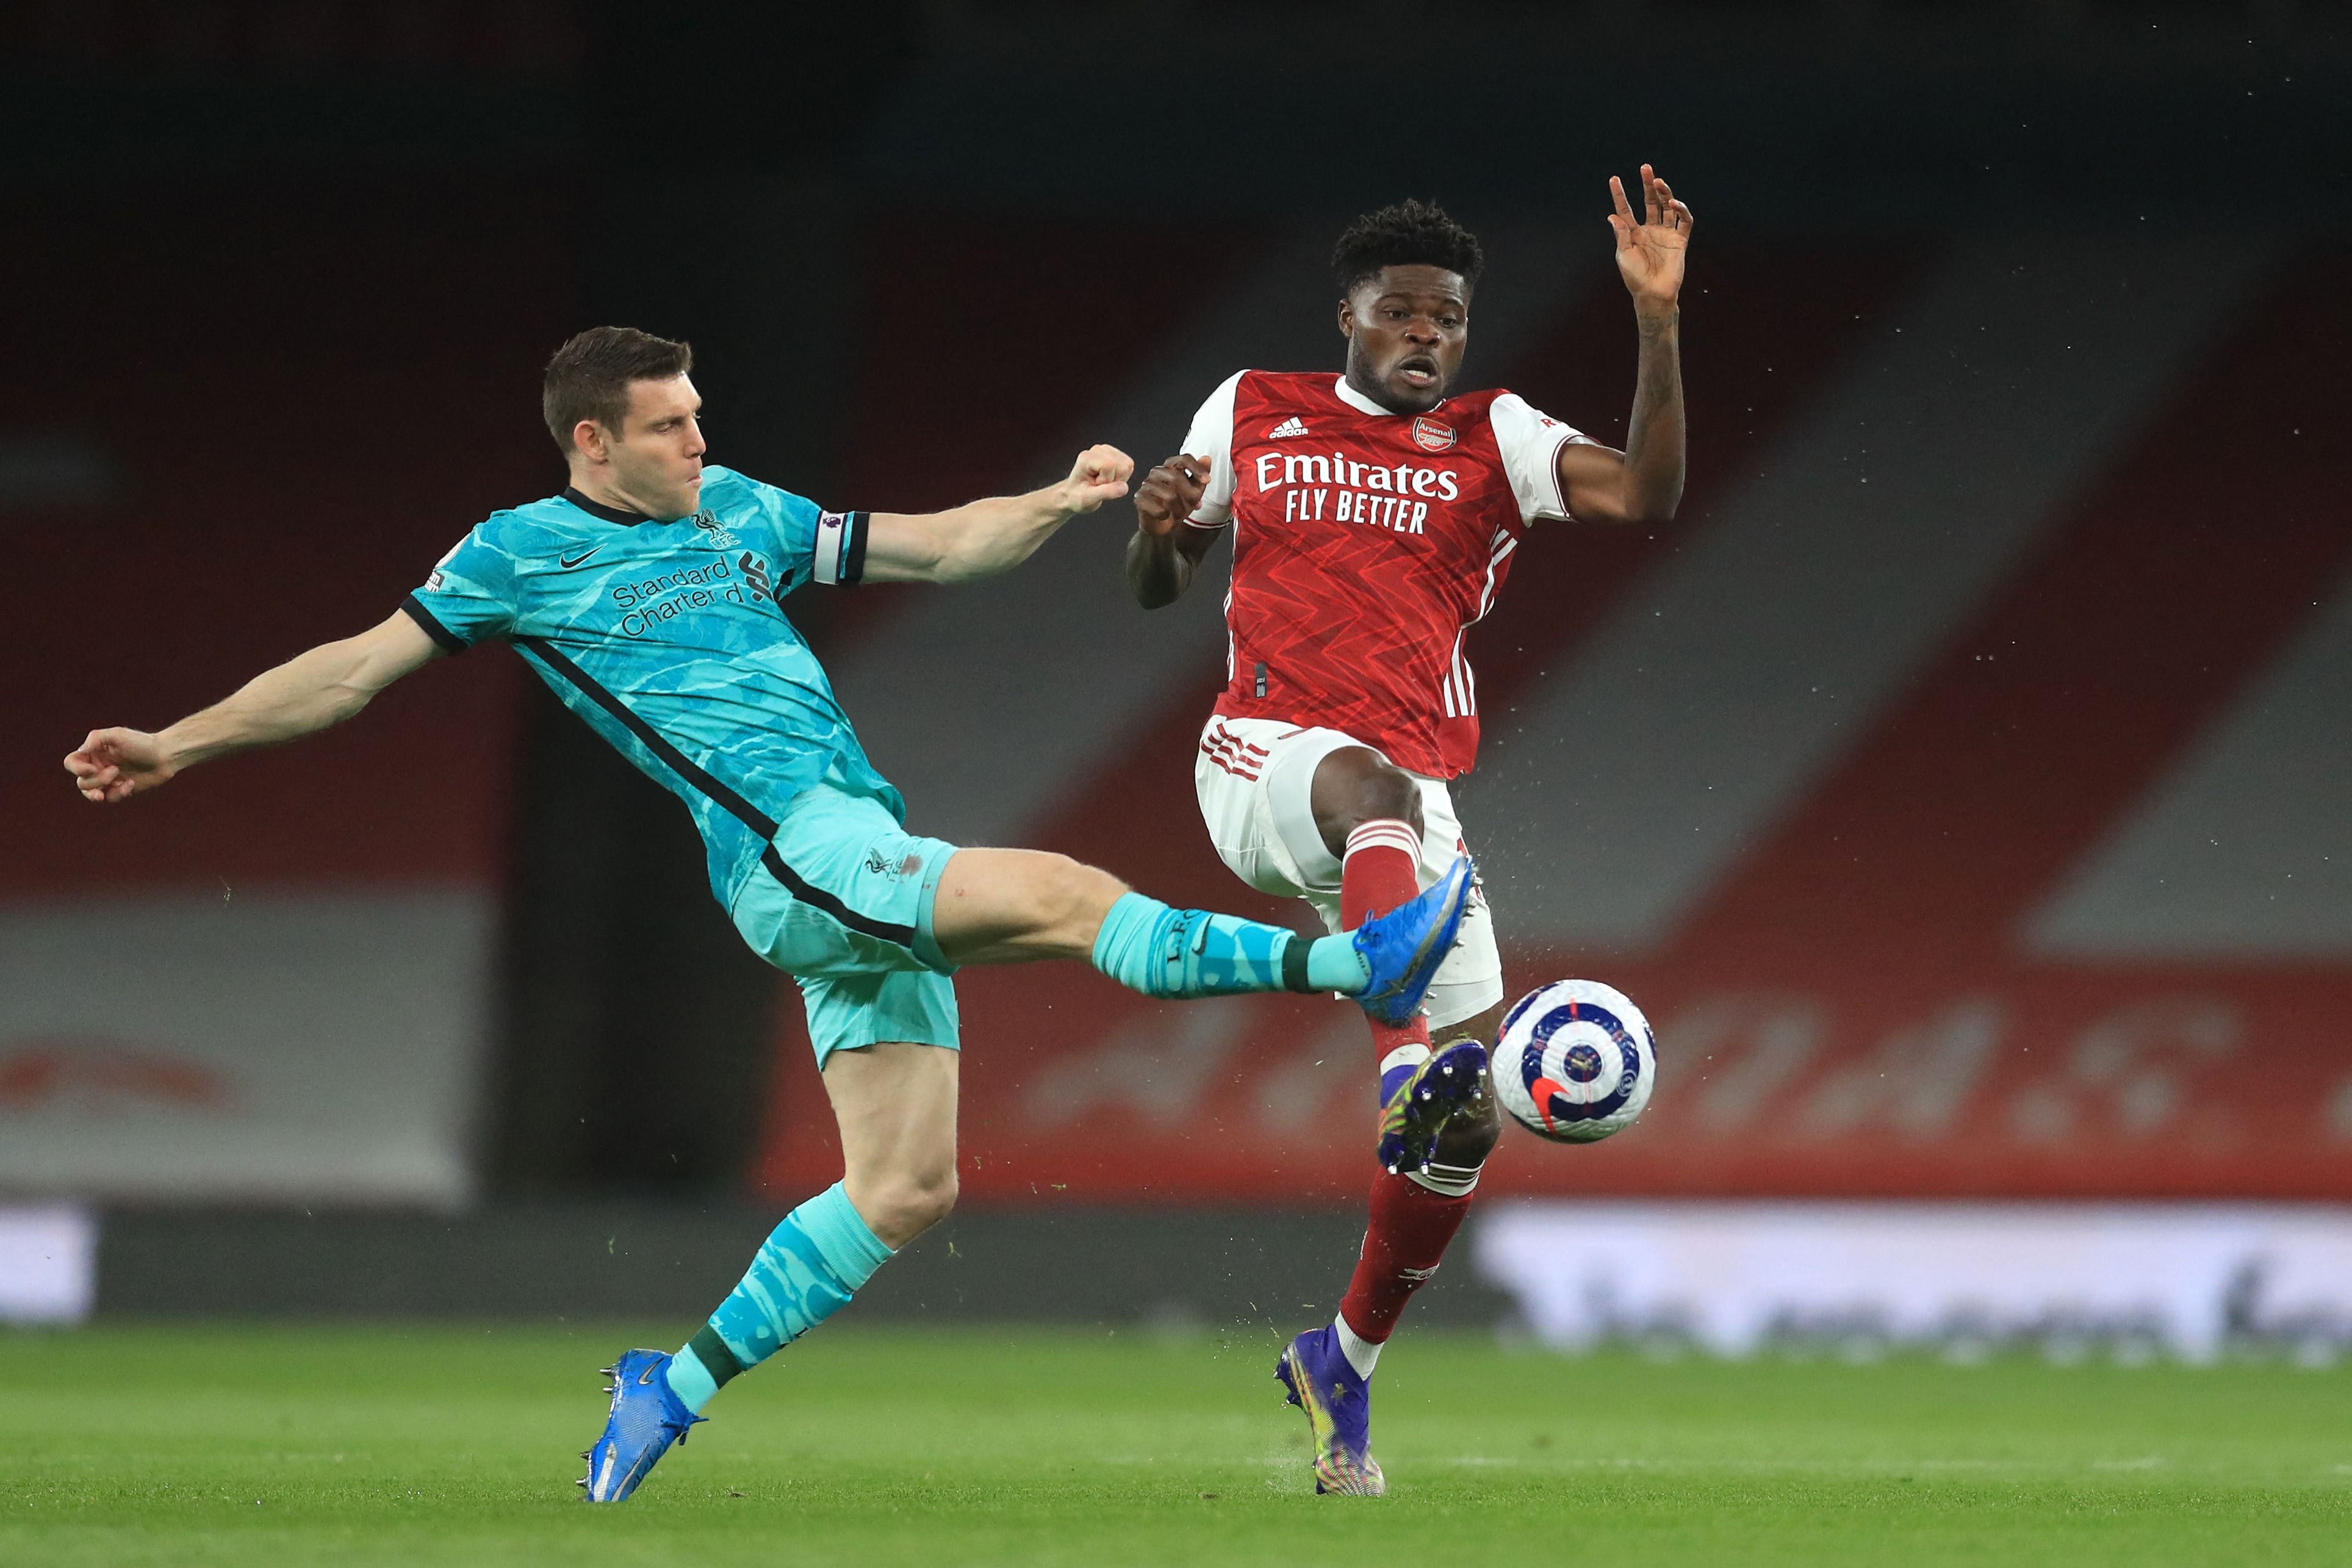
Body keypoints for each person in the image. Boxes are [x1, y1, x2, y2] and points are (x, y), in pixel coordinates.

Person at [63, 325, 1473, 1503]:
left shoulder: (736, 507)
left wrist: (1052, 501)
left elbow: (925, 549)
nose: (695, 442)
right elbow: (351, 670)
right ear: (590, 444)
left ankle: (663, 1387)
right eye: (667, 427)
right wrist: (179, 744)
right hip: (788, 856)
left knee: (905, 1190)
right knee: (1056, 896)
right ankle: (1350, 960)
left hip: (851, 832)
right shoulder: (515, 555)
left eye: (696, 419)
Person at [1124, 172, 1691, 1495]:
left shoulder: (1497, 435)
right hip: (1262, 754)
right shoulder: (1249, 406)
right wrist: (1155, 537)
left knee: (1464, 1129)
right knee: (1382, 880)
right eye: (1401, 311)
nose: (1426, 332)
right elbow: (1159, 584)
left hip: (1408, 795)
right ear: (1351, 314)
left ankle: (1343, 1362)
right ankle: (1393, 1065)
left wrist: (1655, 323)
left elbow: (1648, 496)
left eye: (1447, 316)